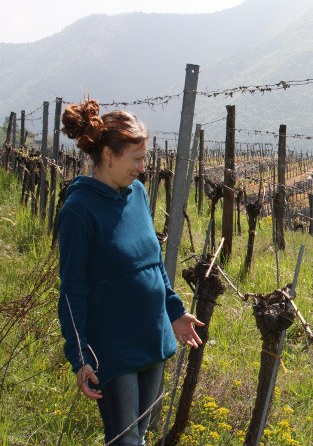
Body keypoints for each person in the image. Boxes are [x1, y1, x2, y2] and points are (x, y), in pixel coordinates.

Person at [57, 99, 204, 446]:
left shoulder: (136, 193)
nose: (142, 168)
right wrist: (79, 358)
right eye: (136, 159)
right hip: (113, 345)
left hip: (152, 335)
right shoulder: (79, 210)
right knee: (125, 440)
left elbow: (151, 262)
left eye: (144, 159)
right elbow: (72, 290)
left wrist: (174, 311)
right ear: (108, 154)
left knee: (141, 432)